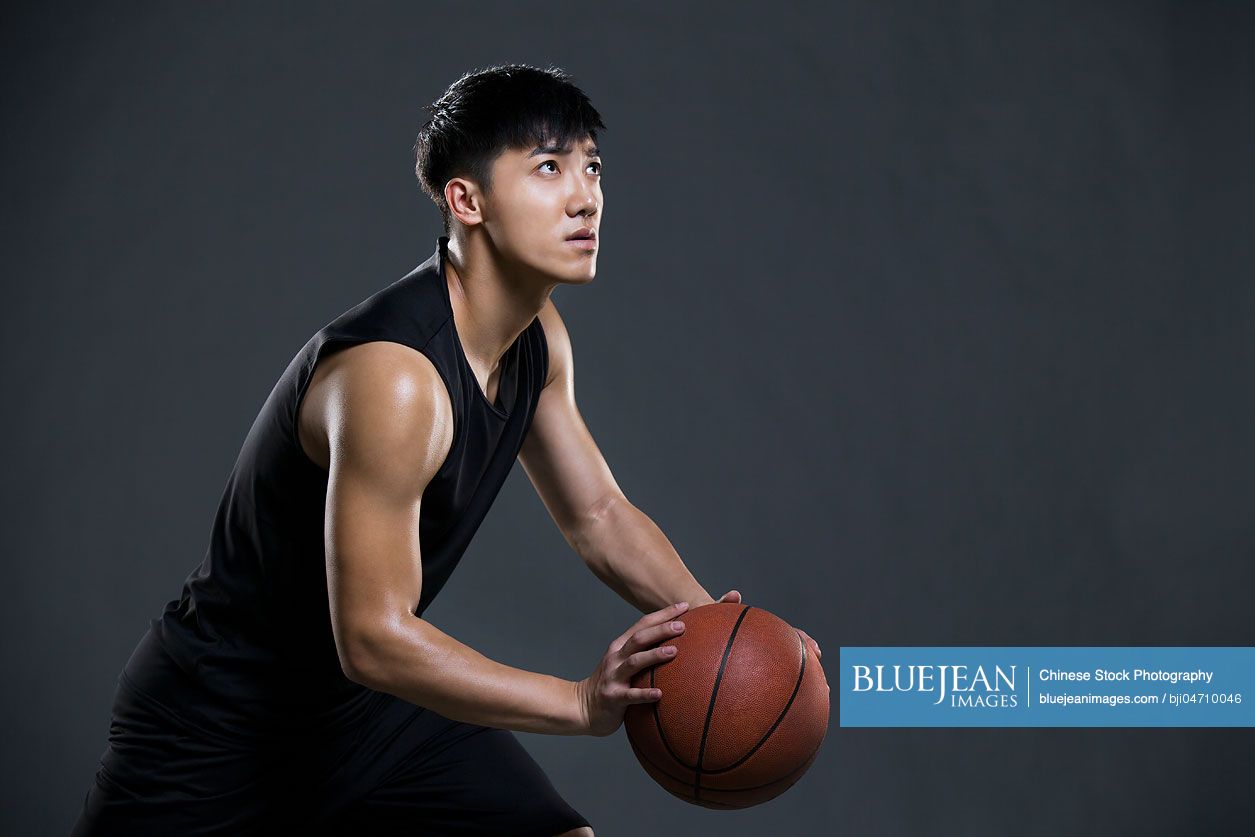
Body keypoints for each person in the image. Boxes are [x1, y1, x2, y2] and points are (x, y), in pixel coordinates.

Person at [71, 63, 820, 836]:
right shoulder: (395, 382)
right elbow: (371, 636)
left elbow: (597, 513)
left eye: (591, 165)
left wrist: (729, 635)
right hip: (218, 724)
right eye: (547, 167)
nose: (585, 195)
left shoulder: (537, 340)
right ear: (466, 200)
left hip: (367, 714)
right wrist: (575, 701)